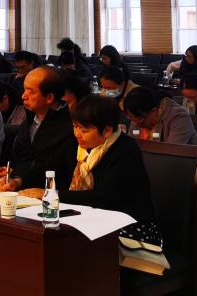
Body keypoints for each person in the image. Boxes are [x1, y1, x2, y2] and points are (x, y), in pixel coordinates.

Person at [38, 94, 154, 224]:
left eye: (84, 130)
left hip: (125, 221)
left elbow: (104, 197)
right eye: (75, 126)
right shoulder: (75, 144)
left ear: (107, 130)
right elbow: (49, 167)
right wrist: (21, 180)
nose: (77, 134)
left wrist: (52, 194)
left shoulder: (125, 150)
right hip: (82, 216)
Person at [0, 67, 78, 192]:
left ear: (49, 98)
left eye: (31, 92)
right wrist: (10, 172)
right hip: (19, 189)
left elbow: (53, 169)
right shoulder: (30, 118)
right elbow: (23, 159)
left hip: (49, 194)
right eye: (24, 90)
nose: (23, 96)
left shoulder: (70, 128)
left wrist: (19, 179)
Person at [123, 86, 197, 145]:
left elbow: (170, 153)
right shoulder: (138, 116)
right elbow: (133, 140)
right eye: (133, 120)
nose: (137, 125)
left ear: (153, 111)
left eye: (141, 121)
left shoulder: (179, 118)